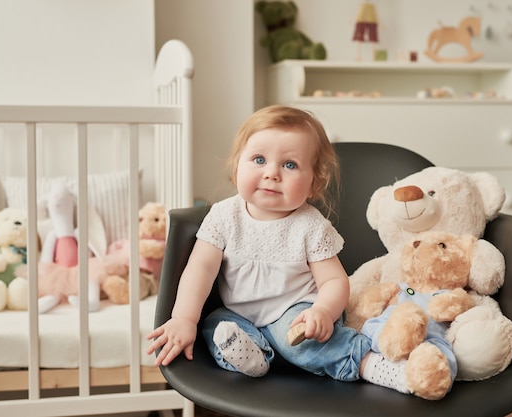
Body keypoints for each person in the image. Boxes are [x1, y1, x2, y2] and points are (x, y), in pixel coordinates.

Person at [147, 105, 408, 390]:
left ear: (314, 184)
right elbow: (200, 268)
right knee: (215, 326)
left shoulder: (310, 225)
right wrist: (184, 318)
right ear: (236, 168)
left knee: (297, 340)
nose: (272, 173)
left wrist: (322, 311)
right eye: (259, 159)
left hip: (296, 311)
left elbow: (334, 280)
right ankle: (253, 357)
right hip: (240, 314)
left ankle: (367, 362)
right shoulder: (223, 216)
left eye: (290, 165)